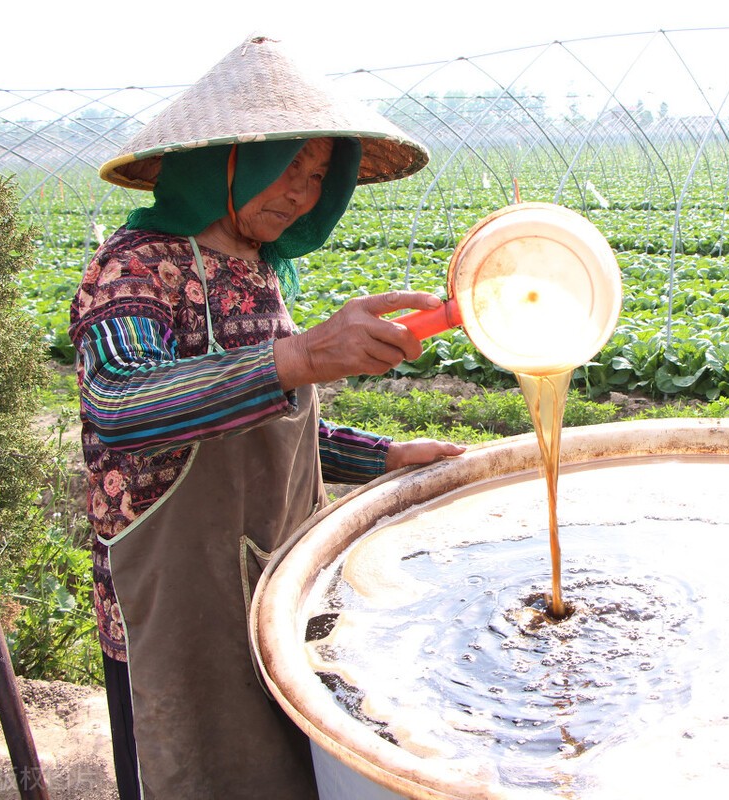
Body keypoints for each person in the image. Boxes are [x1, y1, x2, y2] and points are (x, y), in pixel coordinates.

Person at [69, 37, 463, 799]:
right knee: (189, 764)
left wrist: (384, 458)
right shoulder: (137, 265)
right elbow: (117, 402)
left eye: (318, 176)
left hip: (270, 575)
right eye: (285, 168)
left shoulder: (255, 268)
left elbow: (267, 426)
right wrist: (298, 358)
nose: (300, 193)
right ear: (227, 162)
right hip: (177, 600)